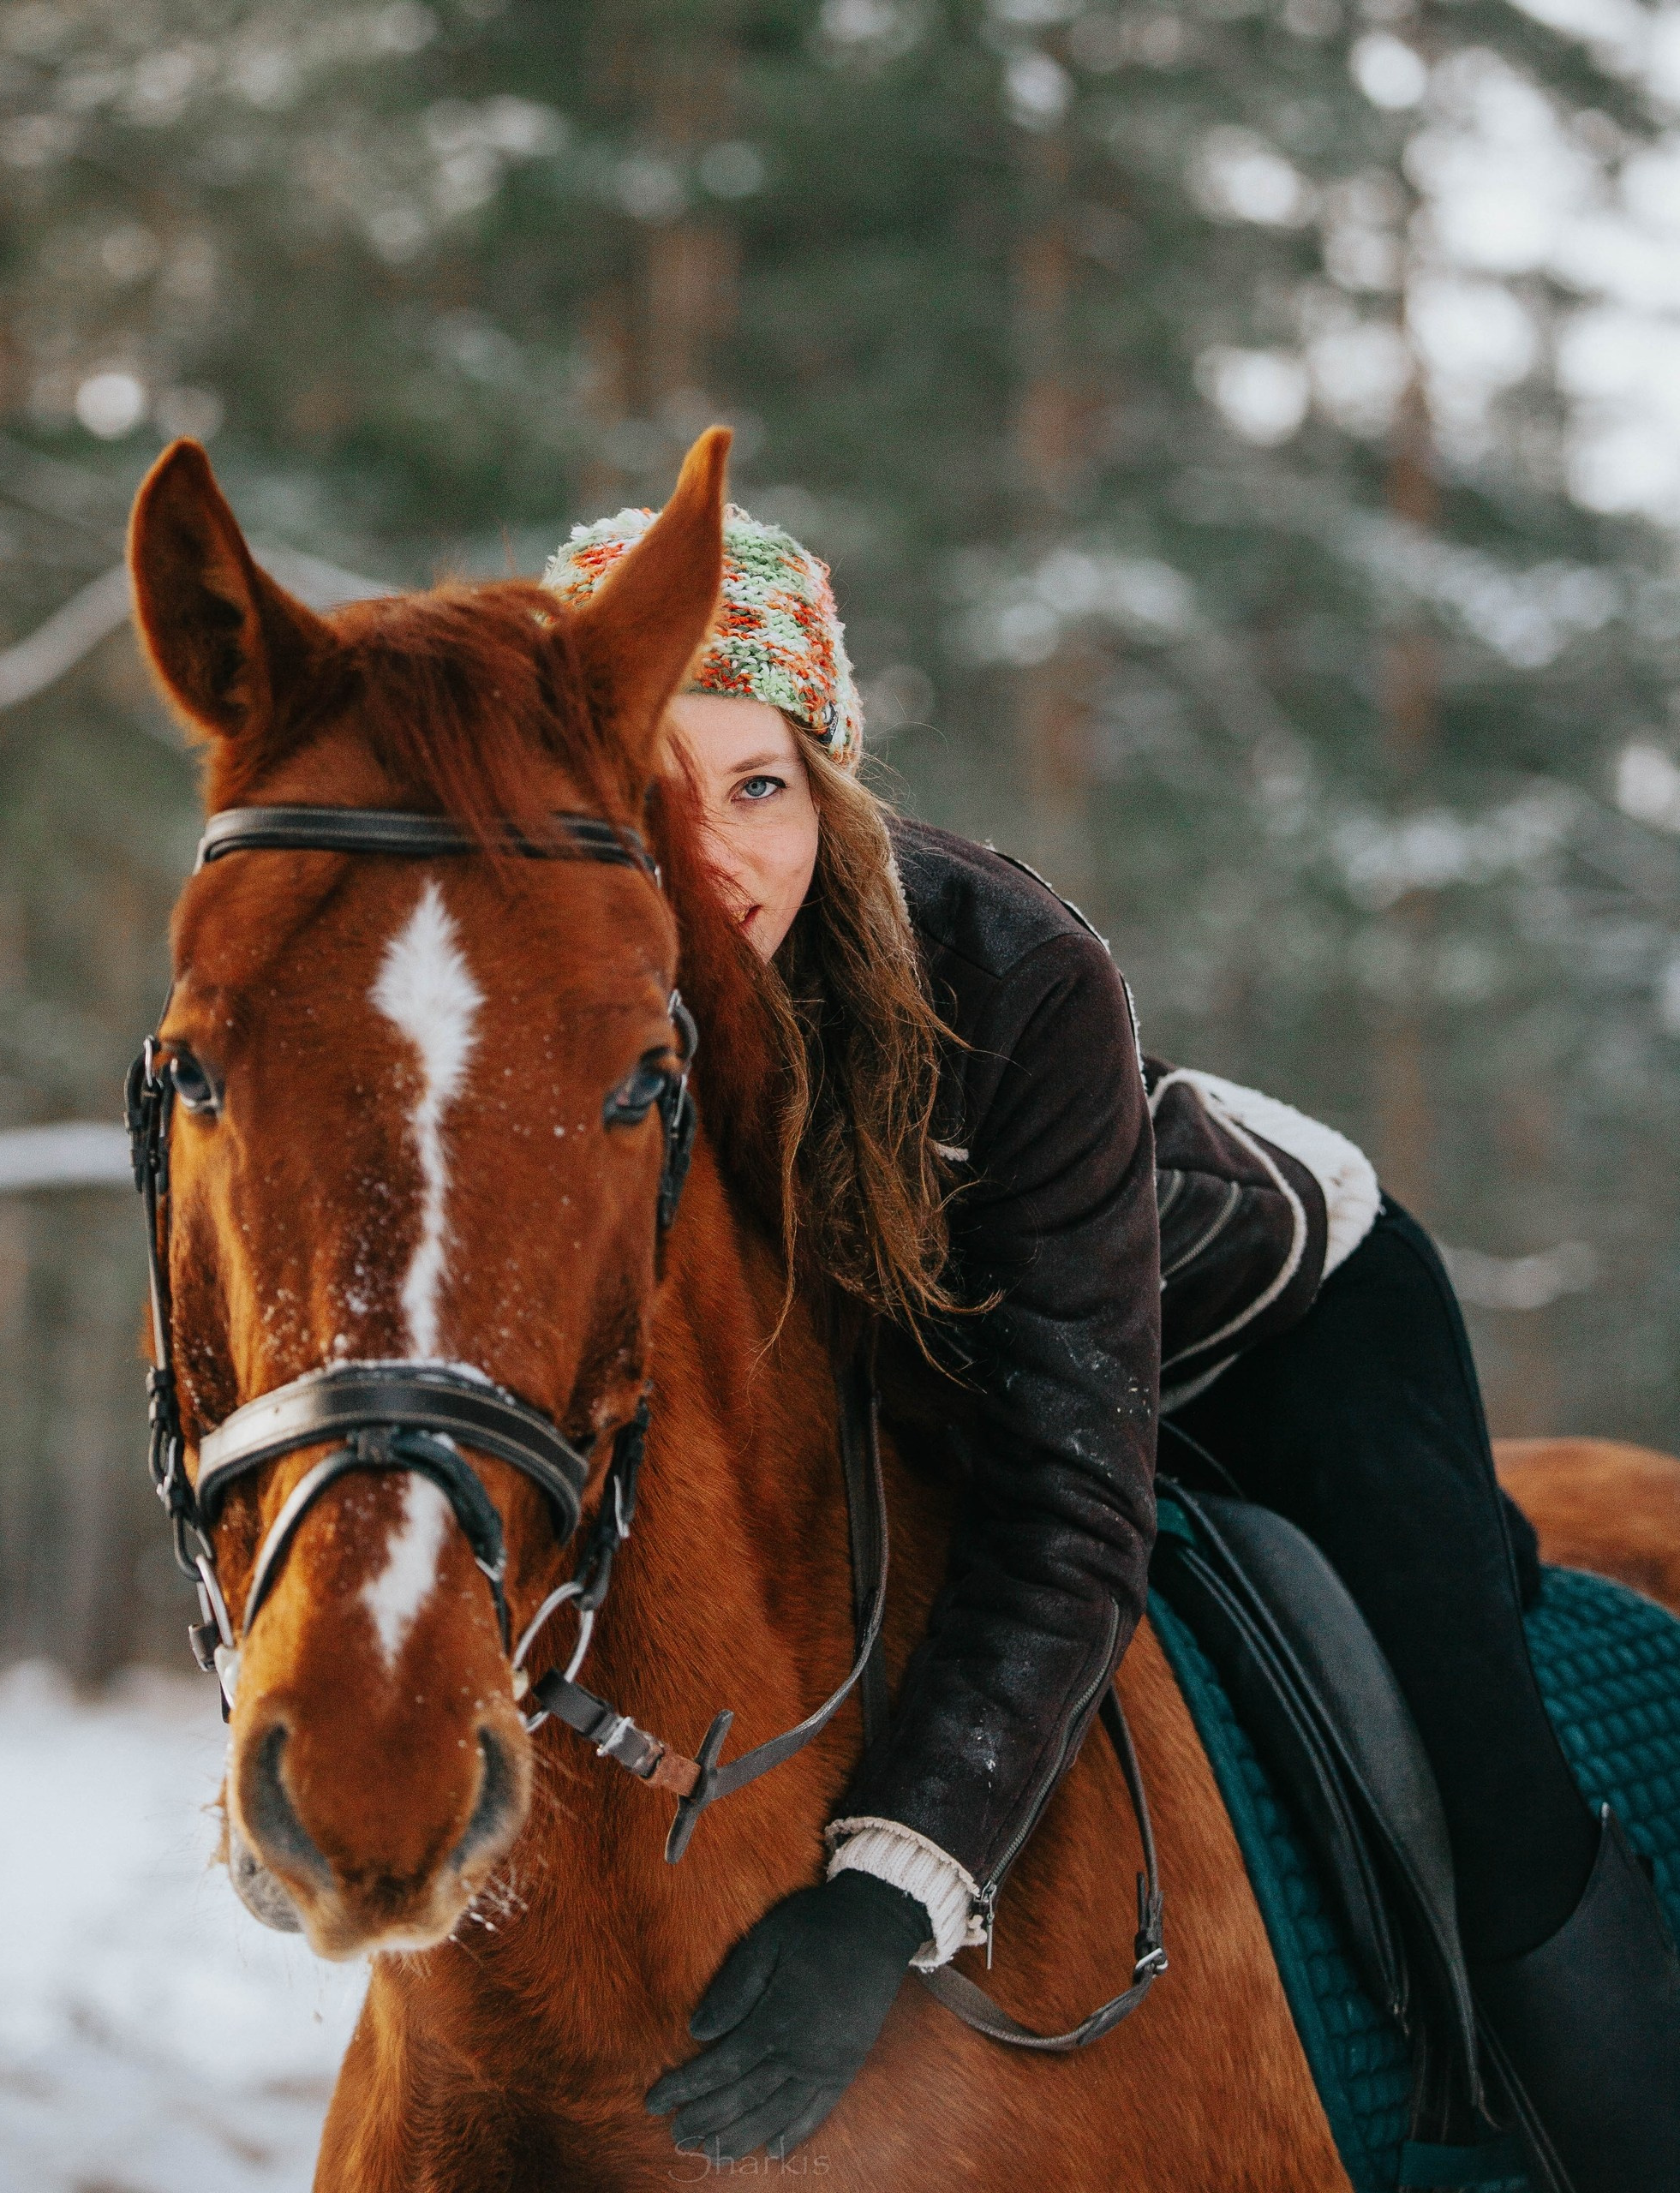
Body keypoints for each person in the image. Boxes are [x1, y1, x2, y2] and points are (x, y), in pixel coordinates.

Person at [541, 505, 1680, 2187]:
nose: (711, 854)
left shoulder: (1012, 968)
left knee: (1472, 1741)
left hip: (1269, 1316)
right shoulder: (547, 1003)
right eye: (650, 790)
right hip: (954, 1374)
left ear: (828, 788)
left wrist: (887, 1894)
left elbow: (1071, 1502)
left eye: (758, 783)